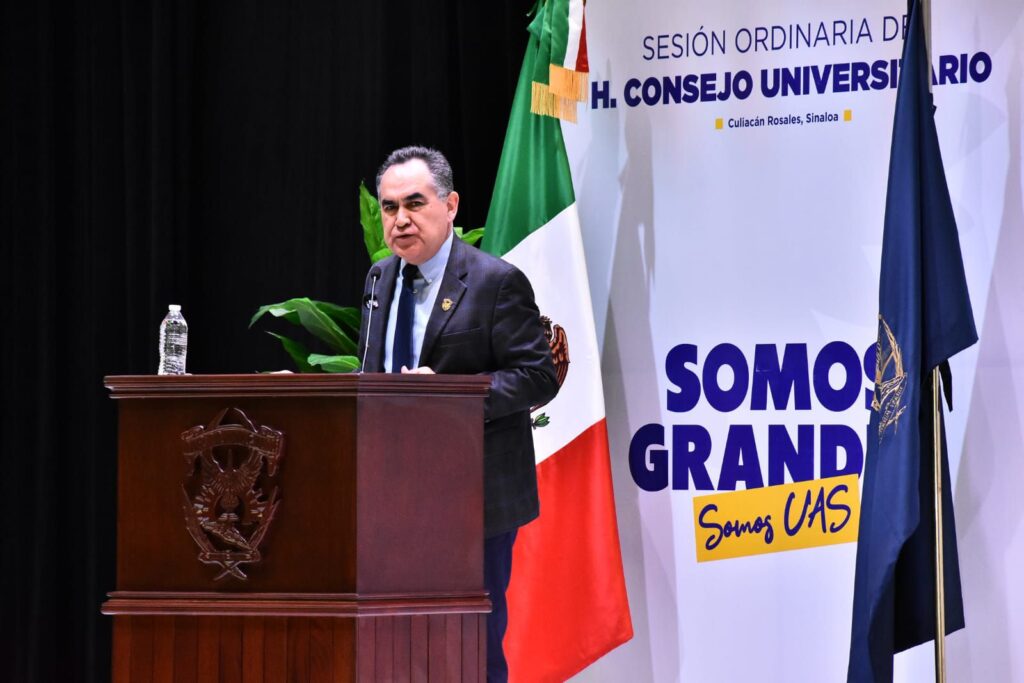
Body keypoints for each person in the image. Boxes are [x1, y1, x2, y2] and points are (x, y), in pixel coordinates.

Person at [356, 145, 558, 682]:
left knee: (472, 647)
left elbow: (538, 375)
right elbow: (373, 373)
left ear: (450, 206)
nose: (400, 219)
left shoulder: (495, 282)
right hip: (390, 495)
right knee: (400, 645)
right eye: (389, 207)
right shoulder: (379, 278)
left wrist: (452, 397)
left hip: (473, 497)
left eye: (414, 203)